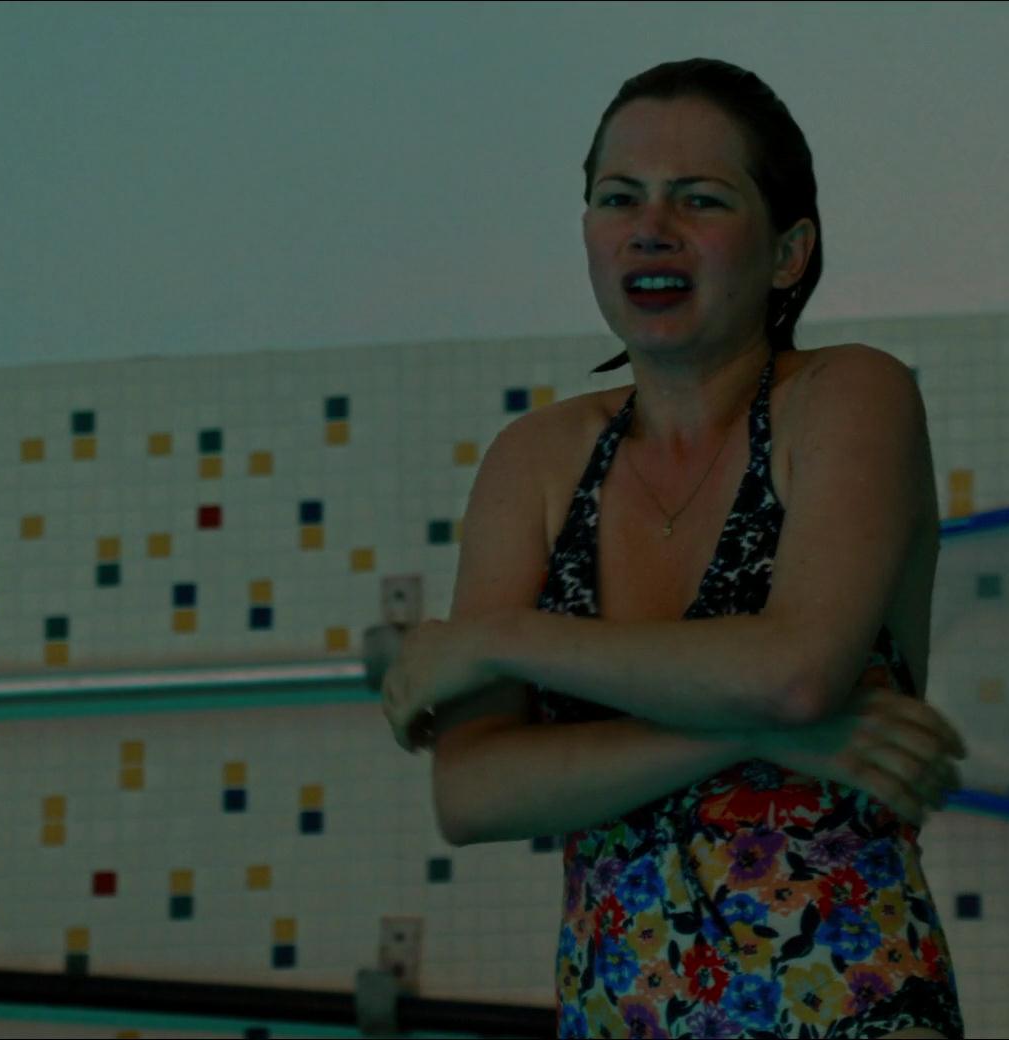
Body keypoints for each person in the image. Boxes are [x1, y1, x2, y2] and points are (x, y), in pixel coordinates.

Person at [381, 58, 967, 1039]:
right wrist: (752, 737)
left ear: (788, 252)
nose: (651, 228)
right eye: (620, 197)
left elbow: (796, 675)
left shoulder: (850, 396)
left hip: (850, 1009)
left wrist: (498, 638)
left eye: (700, 198)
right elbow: (473, 790)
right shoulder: (537, 461)